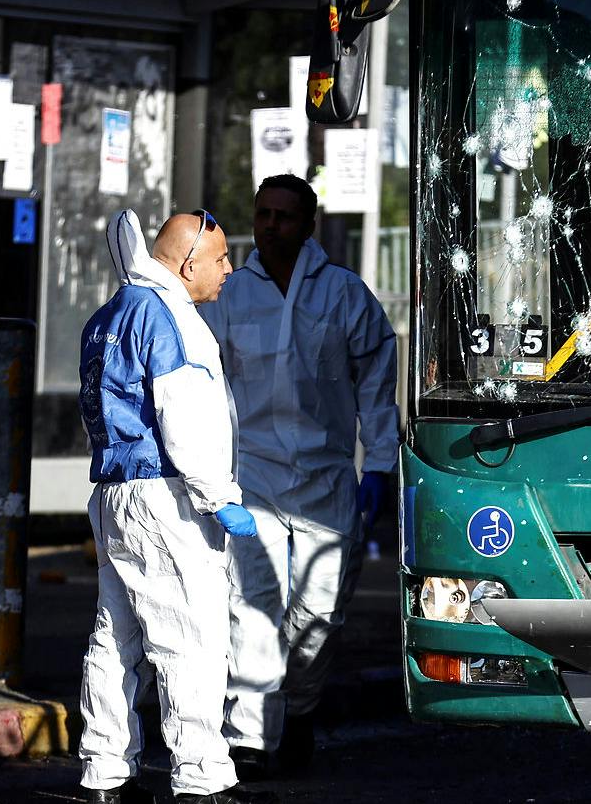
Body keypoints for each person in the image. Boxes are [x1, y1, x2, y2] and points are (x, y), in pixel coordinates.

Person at [201, 175, 400, 776]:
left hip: (328, 478)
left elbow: (377, 385)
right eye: (262, 214)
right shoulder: (231, 295)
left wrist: (382, 463)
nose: (269, 226)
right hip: (253, 475)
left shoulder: (344, 295)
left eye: (283, 216)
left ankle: (301, 709)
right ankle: (253, 741)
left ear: (308, 225)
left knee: (319, 614)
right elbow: (206, 380)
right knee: (254, 607)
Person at [77, 209, 274, 804]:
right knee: (191, 638)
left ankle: (105, 769)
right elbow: (186, 419)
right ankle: (201, 778)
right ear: (188, 264)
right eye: (219, 259)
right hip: (169, 496)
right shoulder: (174, 320)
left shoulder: (110, 314)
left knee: (116, 639)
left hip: (115, 492)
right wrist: (221, 499)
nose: (229, 269)